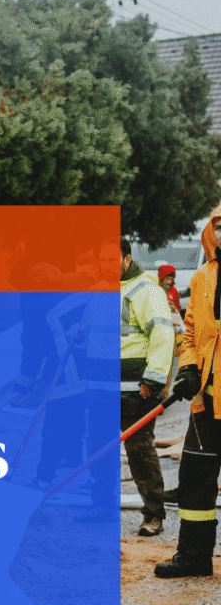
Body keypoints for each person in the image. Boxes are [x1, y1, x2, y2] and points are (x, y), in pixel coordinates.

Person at [79, 238, 173, 535]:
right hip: (99, 387)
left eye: (111, 260)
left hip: (136, 388)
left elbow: (162, 335)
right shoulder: (96, 292)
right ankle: (102, 506)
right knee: (98, 448)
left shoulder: (148, 292)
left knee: (140, 451)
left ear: (127, 259)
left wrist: (154, 379)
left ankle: (154, 514)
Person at [156, 207, 221, 577]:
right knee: (195, 484)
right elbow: (192, 335)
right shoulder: (201, 279)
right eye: (218, 226)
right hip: (205, 404)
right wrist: (188, 368)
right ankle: (194, 557)